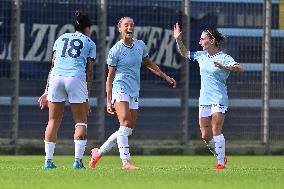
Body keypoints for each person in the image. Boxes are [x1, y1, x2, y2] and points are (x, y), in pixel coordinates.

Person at [88, 17, 176, 170]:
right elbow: (109, 78)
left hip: (134, 90)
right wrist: (108, 101)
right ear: (120, 29)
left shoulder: (140, 45)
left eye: (132, 25)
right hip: (119, 88)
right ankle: (125, 162)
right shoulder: (115, 50)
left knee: (127, 129)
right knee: (125, 123)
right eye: (126, 25)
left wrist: (165, 76)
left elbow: (148, 63)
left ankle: (98, 153)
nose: (129, 28)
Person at [173, 23, 244, 169]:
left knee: (216, 128)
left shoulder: (224, 57)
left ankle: (220, 163)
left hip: (219, 98)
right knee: (205, 135)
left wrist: (226, 67)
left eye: (202, 39)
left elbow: (239, 68)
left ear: (212, 41)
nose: (199, 42)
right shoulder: (201, 56)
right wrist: (178, 40)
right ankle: (220, 155)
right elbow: (185, 53)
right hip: (204, 99)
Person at [38, 11, 96, 169]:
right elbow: (89, 71)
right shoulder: (90, 43)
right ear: (88, 28)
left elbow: (53, 66)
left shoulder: (60, 38)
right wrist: (87, 97)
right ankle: (78, 161)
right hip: (75, 78)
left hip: (56, 78)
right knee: (80, 121)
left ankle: (48, 161)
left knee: (53, 121)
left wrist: (46, 90)